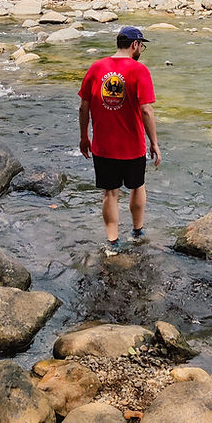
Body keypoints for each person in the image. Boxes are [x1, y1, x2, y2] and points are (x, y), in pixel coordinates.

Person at [78, 25, 161, 253]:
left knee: (110, 193)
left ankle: (112, 242)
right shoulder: (139, 70)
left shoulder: (96, 68)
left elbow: (83, 107)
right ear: (135, 45)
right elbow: (146, 111)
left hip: (103, 146)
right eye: (141, 46)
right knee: (137, 186)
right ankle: (137, 231)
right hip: (132, 146)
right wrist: (154, 142)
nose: (141, 49)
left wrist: (84, 137)